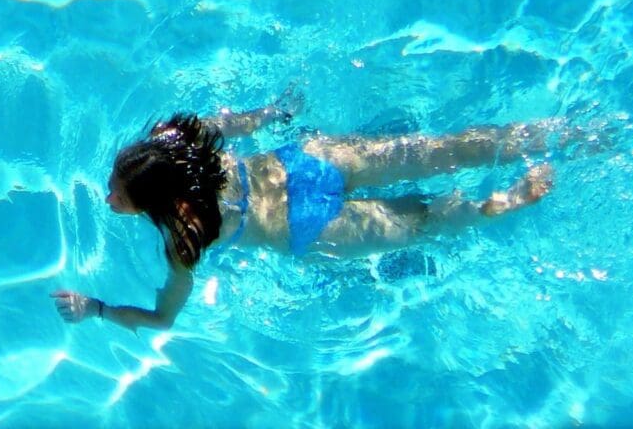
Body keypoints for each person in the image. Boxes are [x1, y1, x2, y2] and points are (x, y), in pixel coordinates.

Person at [52, 102, 556, 331]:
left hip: (307, 227)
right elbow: (229, 123)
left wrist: (95, 308)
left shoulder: (185, 237)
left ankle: (505, 201)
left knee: (427, 219)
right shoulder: (176, 140)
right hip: (303, 162)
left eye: (120, 194)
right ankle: (543, 135)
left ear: (158, 203)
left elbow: (163, 319)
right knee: (438, 151)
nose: (109, 197)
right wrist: (275, 111)